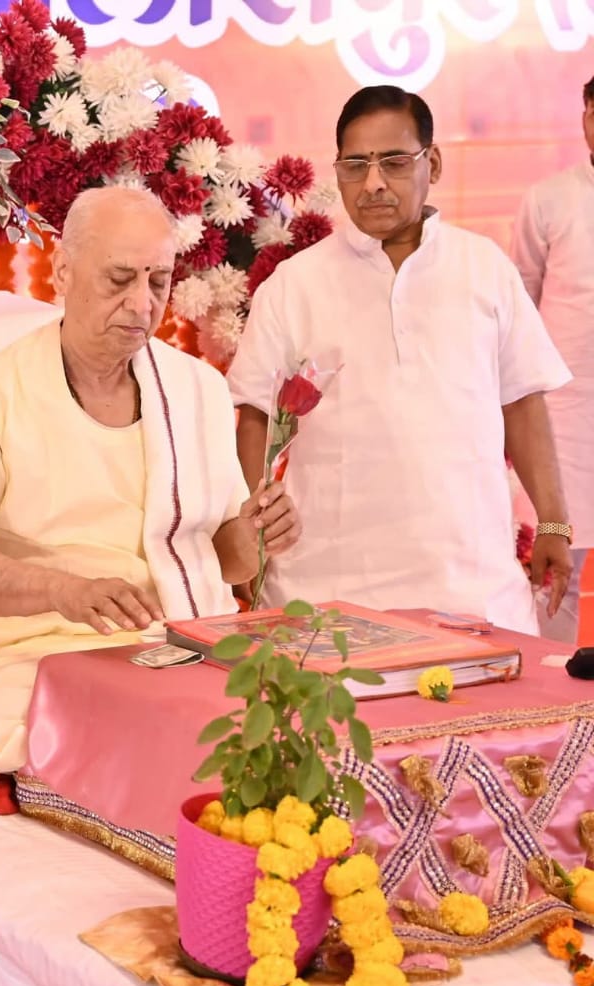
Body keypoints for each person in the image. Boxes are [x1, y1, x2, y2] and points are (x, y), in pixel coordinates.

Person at [0, 186, 299, 773]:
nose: (142, 304)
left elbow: (227, 565)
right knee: (43, 734)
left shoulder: (196, 388)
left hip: (185, 644)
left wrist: (259, 534)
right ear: (62, 272)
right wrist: (65, 591)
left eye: (158, 282)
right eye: (120, 279)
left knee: (306, 723)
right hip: (42, 655)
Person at [228, 85, 573, 635]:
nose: (372, 183)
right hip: (324, 585)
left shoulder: (484, 267)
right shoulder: (294, 284)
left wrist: (552, 521)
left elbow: (522, 401)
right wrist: (254, 529)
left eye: (393, 162)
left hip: (471, 584)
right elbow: (254, 416)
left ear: (432, 164)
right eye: (355, 165)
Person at [510, 75, 594, 642]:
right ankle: (547, 684)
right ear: (587, 115)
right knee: (555, 569)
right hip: (567, 415)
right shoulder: (548, 199)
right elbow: (521, 303)